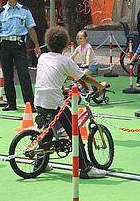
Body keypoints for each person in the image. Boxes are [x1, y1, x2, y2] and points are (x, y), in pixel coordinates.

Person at [34, 26, 108, 178]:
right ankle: (86, 168)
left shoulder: (43, 57)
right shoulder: (65, 61)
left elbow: (50, 76)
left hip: (39, 100)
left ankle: (40, 162)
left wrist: (62, 89)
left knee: (47, 130)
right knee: (74, 132)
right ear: (66, 44)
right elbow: (83, 77)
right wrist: (99, 85)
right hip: (54, 102)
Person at [0, 0, 41, 111]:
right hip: (4, 44)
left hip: (19, 44)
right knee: (7, 75)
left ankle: (29, 103)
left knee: (24, 74)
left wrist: (37, 45)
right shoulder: (0, 12)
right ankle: (11, 103)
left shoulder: (25, 10)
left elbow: (31, 29)